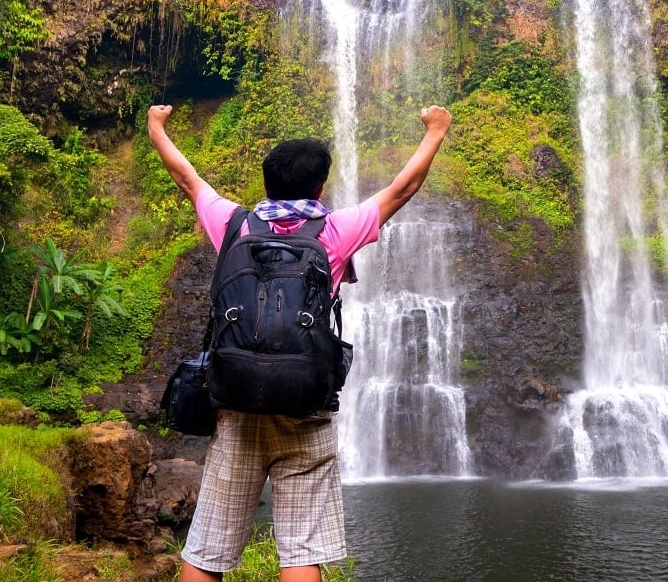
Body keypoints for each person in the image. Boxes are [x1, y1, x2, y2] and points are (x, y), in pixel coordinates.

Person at [146, 102, 452, 582]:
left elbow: (186, 178)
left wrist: (156, 128)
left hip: (237, 406)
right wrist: (435, 131)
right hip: (305, 410)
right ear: (320, 187)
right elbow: (403, 188)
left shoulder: (233, 224)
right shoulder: (333, 231)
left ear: (266, 183)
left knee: (206, 551)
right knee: (301, 553)